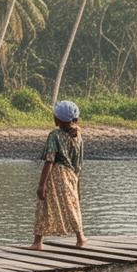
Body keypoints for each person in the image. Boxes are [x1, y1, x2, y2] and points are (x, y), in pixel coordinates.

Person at [32, 100, 86, 249]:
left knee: (44, 205)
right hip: (72, 174)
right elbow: (79, 161)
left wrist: (41, 184)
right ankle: (80, 237)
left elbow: (49, 160)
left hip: (57, 175)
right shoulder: (78, 135)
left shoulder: (55, 135)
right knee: (72, 205)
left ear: (58, 119)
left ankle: (38, 242)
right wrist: (77, 181)